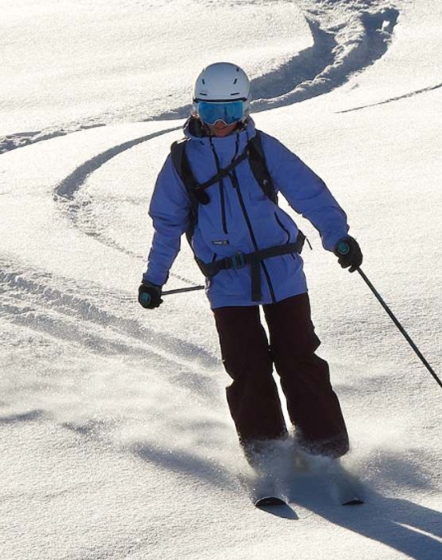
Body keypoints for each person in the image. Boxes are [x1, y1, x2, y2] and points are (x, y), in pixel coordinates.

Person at [137, 62, 363, 465]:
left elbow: (309, 193)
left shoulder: (262, 148)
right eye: (210, 112)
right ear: (195, 109)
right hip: (227, 281)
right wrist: (154, 279)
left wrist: (338, 237)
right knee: (248, 370)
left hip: (282, 272)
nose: (221, 122)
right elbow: (166, 227)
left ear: (245, 108)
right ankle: (268, 455)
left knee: (300, 360)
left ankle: (326, 451)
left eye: (230, 112)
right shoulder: (182, 163)